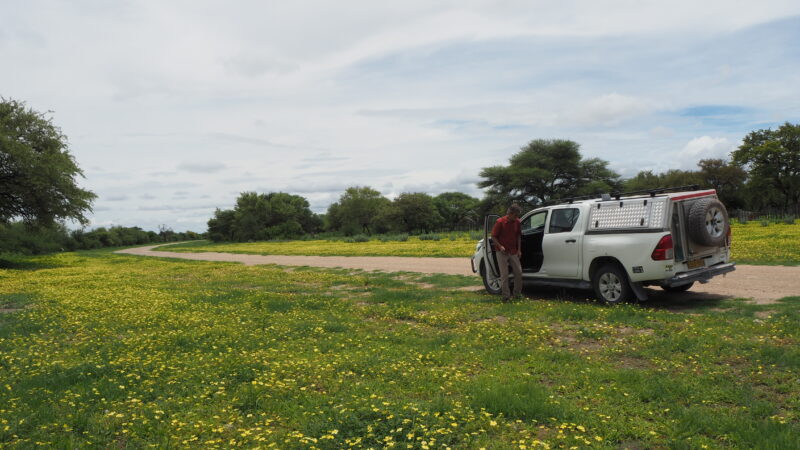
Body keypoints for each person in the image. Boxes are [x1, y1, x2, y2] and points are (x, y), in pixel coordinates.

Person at [491, 203, 523, 302]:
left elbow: (518, 236)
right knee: (504, 275)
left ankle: (517, 294)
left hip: (513, 251)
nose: (516, 217)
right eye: (515, 215)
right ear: (510, 213)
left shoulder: (517, 222)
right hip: (502, 252)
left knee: (519, 272)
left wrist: (519, 249)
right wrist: (500, 246)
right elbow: (493, 236)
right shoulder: (500, 222)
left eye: (517, 215)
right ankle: (506, 297)